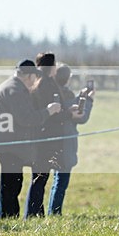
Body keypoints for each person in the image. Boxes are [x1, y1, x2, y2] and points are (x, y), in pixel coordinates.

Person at [0, 59, 61, 220]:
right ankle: (7, 218)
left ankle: (5, 218)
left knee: (11, 184)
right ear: (29, 76)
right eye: (34, 77)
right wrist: (48, 111)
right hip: (10, 145)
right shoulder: (15, 90)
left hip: (8, 144)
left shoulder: (11, 86)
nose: (35, 81)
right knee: (11, 186)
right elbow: (26, 118)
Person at [25, 52, 72, 219]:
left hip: (41, 136)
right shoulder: (46, 84)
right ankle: (33, 214)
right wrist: (69, 114)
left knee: (39, 178)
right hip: (46, 138)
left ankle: (36, 212)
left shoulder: (38, 82)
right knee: (40, 178)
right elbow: (53, 113)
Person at [47, 64, 94, 216]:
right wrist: (89, 100)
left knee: (53, 180)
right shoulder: (66, 95)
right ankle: (54, 212)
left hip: (51, 141)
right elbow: (81, 117)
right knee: (61, 181)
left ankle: (49, 211)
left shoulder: (51, 93)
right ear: (68, 78)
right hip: (65, 143)